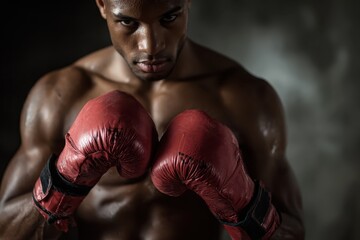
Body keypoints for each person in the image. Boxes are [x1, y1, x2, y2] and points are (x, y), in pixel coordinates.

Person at [0, 0, 304, 239]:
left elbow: (292, 233)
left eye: (169, 17)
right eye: (128, 22)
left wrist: (243, 202)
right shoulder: (58, 97)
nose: (150, 45)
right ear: (102, 5)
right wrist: (64, 183)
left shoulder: (246, 100)